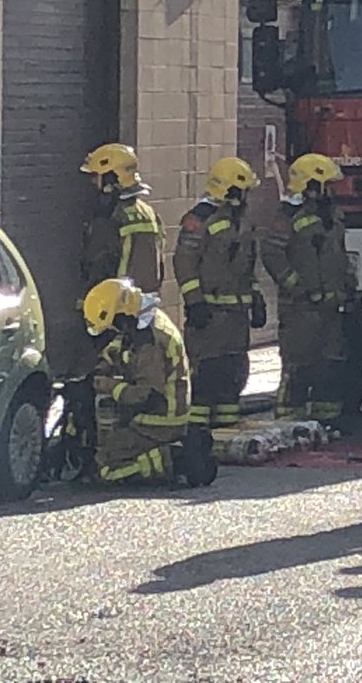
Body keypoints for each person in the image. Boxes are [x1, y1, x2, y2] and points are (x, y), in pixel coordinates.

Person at [261, 153, 358, 427]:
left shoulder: (332, 215)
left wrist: (349, 284)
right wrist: (297, 287)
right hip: (301, 310)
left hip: (331, 309)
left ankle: (327, 422)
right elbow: (271, 253)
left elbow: (339, 254)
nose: (331, 190)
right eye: (326, 184)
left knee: (330, 366)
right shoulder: (287, 217)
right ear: (311, 185)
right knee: (299, 367)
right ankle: (289, 421)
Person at [173, 157, 267, 428]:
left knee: (233, 376)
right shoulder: (199, 219)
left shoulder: (242, 221)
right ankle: (198, 437)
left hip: (236, 319)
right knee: (206, 377)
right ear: (232, 190)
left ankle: (227, 433)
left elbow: (248, 264)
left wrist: (256, 296)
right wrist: (194, 302)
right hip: (211, 317)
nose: (248, 195)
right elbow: (184, 261)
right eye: (244, 190)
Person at [83, 277, 192, 483]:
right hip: (148, 417)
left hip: (159, 422)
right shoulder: (139, 324)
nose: (114, 330)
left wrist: (108, 386)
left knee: (104, 466)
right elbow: (118, 350)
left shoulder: (149, 339)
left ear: (122, 314)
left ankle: (170, 459)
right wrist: (99, 369)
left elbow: (147, 395)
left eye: (114, 323)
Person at [78, 143, 165, 374]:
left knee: (110, 376)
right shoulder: (148, 212)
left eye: (97, 178)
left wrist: (87, 302)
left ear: (110, 180)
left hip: (112, 310)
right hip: (142, 308)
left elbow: (100, 263)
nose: (93, 184)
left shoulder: (111, 218)